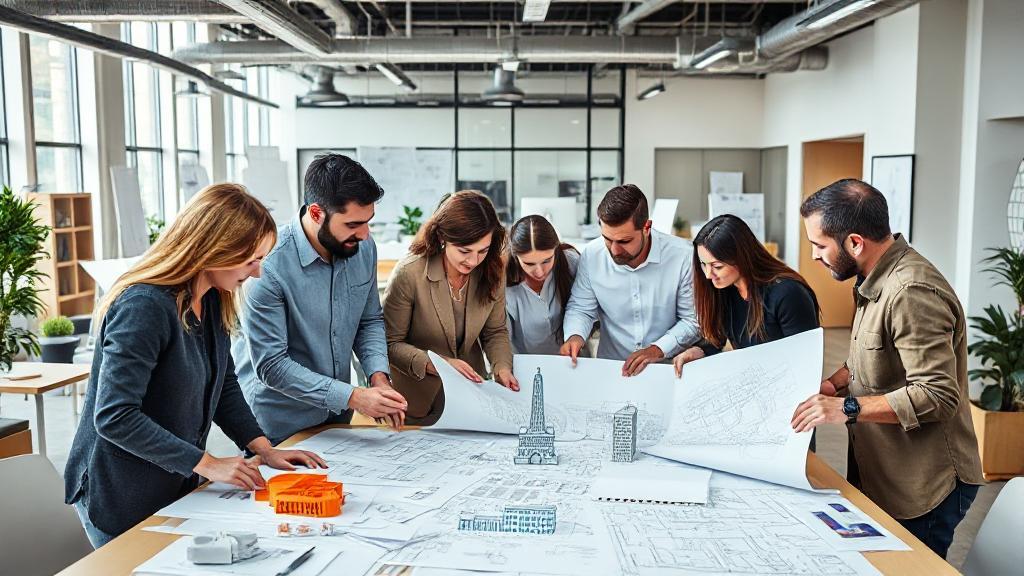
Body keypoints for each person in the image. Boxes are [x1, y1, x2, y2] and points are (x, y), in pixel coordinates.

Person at [65, 184, 326, 548]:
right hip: (120, 492)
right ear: (215, 249)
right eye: (252, 260)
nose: (258, 274)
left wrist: (263, 448)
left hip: (172, 481)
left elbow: (224, 385)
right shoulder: (143, 307)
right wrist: (207, 463)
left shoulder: (213, 299)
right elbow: (114, 416)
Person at [790, 178, 983, 559]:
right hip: (882, 470)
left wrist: (845, 408)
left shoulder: (910, 292)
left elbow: (938, 395)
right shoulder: (872, 277)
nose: (814, 255)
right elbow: (871, 355)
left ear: (855, 243)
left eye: (819, 245)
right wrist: (833, 385)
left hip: (922, 484)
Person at [232, 153, 407, 444]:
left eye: (368, 222)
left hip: (338, 419)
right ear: (316, 213)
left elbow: (369, 320)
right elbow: (271, 366)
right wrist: (352, 396)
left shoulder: (363, 248)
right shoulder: (267, 267)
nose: (364, 235)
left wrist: (378, 377)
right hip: (279, 427)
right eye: (352, 225)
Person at [383, 191, 519, 425]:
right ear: (442, 238)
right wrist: (437, 363)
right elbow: (389, 343)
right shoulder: (409, 273)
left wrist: (502, 367)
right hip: (414, 401)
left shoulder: (493, 270)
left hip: (470, 397)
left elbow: (495, 331)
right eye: (465, 251)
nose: (473, 261)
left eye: (483, 251)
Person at [560, 184, 700, 376]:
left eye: (624, 241)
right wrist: (575, 335)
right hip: (611, 370)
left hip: (668, 370)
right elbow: (581, 308)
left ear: (647, 227)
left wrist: (657, 349)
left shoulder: (683, 257)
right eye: (607, 239)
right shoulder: (592, 255)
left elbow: (692, 320)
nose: (614, 250)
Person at [672, 214, 819, 375]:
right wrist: (698, 351)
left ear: (741, 257)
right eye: (703, 264)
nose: (708, 274)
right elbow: (718, 339)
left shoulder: (788, 294)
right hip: (753, 378)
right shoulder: (725, 289)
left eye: (718, 266)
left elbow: (805, 360)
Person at [505, 214, 582, 355]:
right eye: (529, 264)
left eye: (547, 261)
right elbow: (500, 337)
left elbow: (586, 308)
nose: (539, 272)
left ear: (556, 250)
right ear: (516, 257)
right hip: (524, 367)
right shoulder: (503, 283)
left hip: (573, 362)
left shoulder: (571, 262)